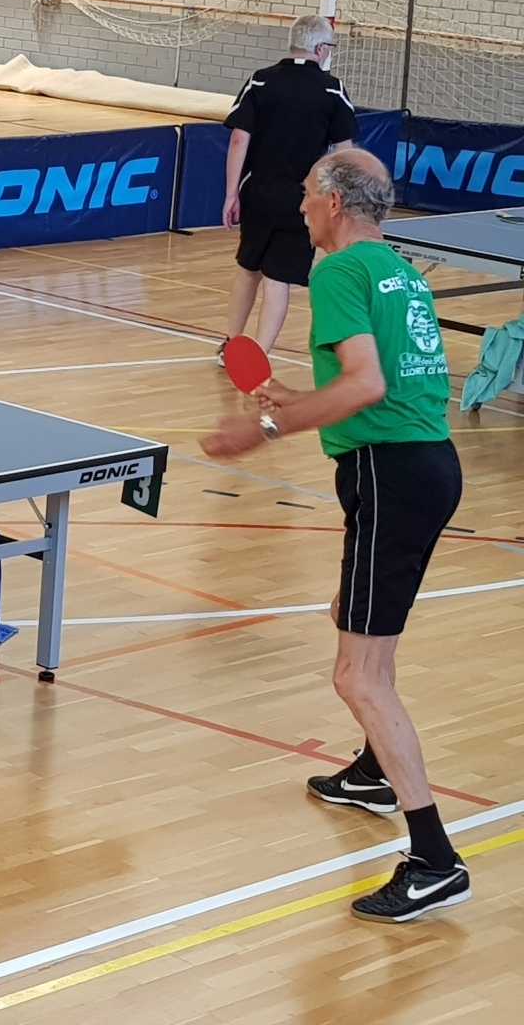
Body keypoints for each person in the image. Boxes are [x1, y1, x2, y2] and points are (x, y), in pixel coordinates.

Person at [201, 150, 468, 923]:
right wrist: (293, 398)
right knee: (356, 632)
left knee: (358, 675)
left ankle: (434, 860)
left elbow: (366, 385)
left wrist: (263, 429)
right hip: (426, 465)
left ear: (334, 203)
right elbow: (379, 385)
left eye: (307, 193)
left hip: (390, 473)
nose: (301, 206)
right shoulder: (400, 271)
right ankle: (372, 771)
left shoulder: (339, 270)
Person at [219, 14, 358, 362]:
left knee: (247, 268)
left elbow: (238, 140)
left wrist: (231, 193)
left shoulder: (260, 81)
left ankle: (230, 345)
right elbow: (344, 154)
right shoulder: (332, 90)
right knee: (276, 279)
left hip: (257, 194)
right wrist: (340, 204)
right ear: (320, 49)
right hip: (303, 202)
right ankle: (256, 356)